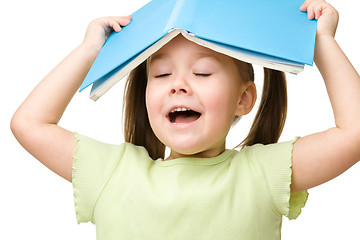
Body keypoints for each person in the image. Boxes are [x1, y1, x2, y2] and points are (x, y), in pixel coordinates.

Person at [10, 0, 360, 239]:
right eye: (160, 74)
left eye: (203, 72)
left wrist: (323, 41)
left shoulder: (262, 174)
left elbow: (353, 133)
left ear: (243, 99)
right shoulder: (112, 172)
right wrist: (90, 50)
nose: (178, 84)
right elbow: (29, 124)